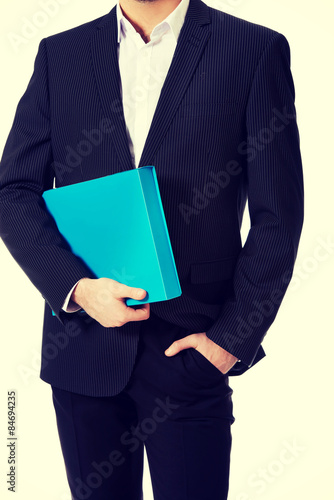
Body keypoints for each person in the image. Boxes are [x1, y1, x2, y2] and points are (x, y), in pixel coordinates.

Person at [0, 0, 304, 498]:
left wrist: (229, 341)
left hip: (191, 348)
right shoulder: (60, 54)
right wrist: (76, 289)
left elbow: (278, 216)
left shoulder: (253, 50)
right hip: (82, 349)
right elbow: (14, 192)